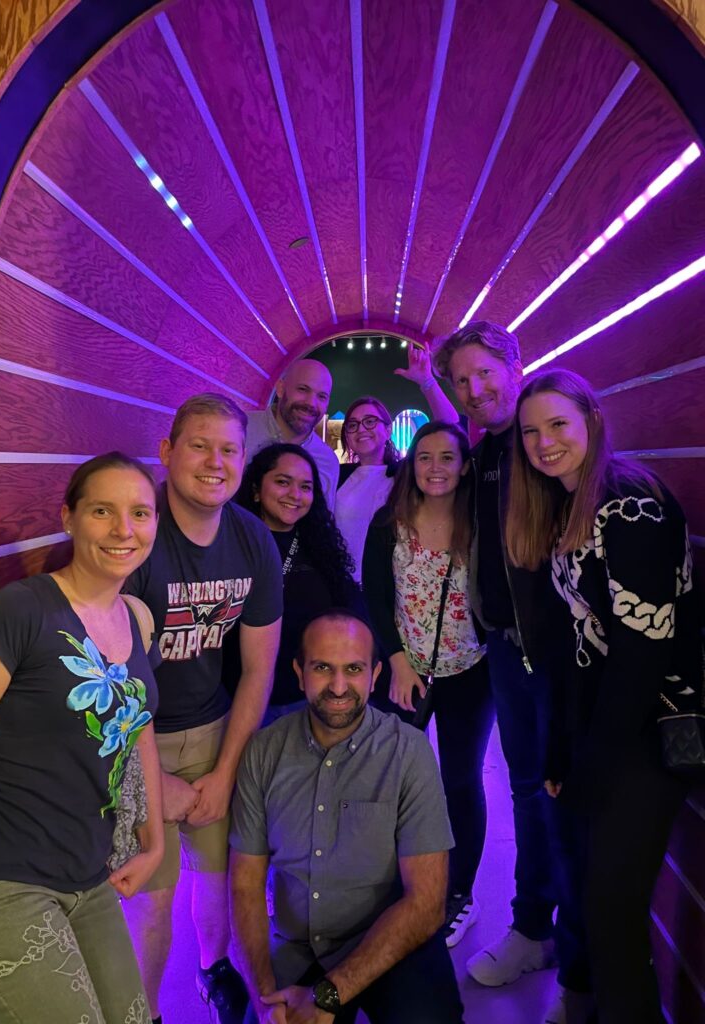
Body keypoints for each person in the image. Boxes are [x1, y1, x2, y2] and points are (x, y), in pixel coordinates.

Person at [0, 453, 164, 1024]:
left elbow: (138, 730)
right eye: (102, 511)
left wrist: (154, 839)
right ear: (68, 518)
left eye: (140, 513)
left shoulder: (135, 619)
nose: (123, 530)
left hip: (85, 878)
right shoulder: (16, 613)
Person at [506, 369, 697, 1024]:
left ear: (591, 418)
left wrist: (593, 765)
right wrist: (564, 750)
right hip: (604, 736)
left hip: (645, 736)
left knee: (613, 917)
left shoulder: (630, 502)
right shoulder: (570, 505)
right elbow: (576, 647)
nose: (543, 442)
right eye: (530, 431)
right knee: (600, 907)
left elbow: (642, 657)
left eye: (558, 424)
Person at [122, 394, 283, 1024]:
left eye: (230, 449)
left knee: (217, 881)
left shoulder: (252, 541)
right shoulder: (136, 534)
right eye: (199, 445)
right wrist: (152, 778)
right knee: (153, 901)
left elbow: (259, 668)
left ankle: (213, 970)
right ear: (166, 453)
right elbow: (111, 685)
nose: (215, 462)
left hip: (217, 730)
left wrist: (224, 771)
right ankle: (145, 1012)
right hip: (141, 736)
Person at [229, 610, 465, 1024]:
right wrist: (266, 997)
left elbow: (426, 904)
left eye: (353, 669)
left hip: (387, 939)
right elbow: (245, 884)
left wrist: (329, 995)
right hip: (297, 946)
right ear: (299, 672)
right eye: (323, 668)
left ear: (374, 675)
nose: (338, 686)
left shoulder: (409, 753)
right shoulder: (263, 753)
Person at [432, 322, 559, 1003]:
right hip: (506, 648)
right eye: (463, 382)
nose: (478, 390)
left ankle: (550, 929)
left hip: (563, 653)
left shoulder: (544, 441)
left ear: (516, 365)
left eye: (486, 373)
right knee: (527, 786)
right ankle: (536, 926)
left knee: (557, 787)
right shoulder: (482, 452)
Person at [362, 420, 493, 949]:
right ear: (410, 464)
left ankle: (457, 893)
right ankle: (391, 884)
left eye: (447, 457)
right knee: (391, 776)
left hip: (469, 670)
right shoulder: (388, 522)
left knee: (461, 781)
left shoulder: (482, 522)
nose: (435, 467)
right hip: (406, 669)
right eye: (425, 457)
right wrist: (395, 659)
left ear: (465, 466)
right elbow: (374, 593)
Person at [235, 443, 361, 720]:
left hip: (309, 703)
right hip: (239, 702)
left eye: (306, 487)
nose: (295, 494)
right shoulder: (231, 543)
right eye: (282, 482)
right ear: (256, 489)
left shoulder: (322, 550)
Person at [245, 359, 339, 509]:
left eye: (321, 396)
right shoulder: (241, 429)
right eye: (303, 389)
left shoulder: (327, 461)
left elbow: (322, 523)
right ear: (281, 389)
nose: (311, 403)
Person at [335, 397, 401, 582]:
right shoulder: (338, 475)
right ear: (347, 435)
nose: (361, 429)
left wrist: (427, 383)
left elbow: (450, 429)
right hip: (344, 585)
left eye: (370, 421)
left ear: (388, 430)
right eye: (353, 425)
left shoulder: (404, 474)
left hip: (390, 586)